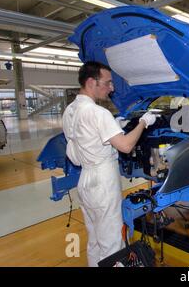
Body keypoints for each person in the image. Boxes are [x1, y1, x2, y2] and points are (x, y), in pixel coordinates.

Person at [63, 61, 156, 267]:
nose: (112, 88)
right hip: (103, 181)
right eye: (108, 82)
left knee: (95, 239)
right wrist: (143, 122)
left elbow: (81, 141)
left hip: (85, 179)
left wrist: (115, 126)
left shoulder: (70, 111)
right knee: (112, 243)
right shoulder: (98, 113)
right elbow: (125, 146)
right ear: (91, 82)